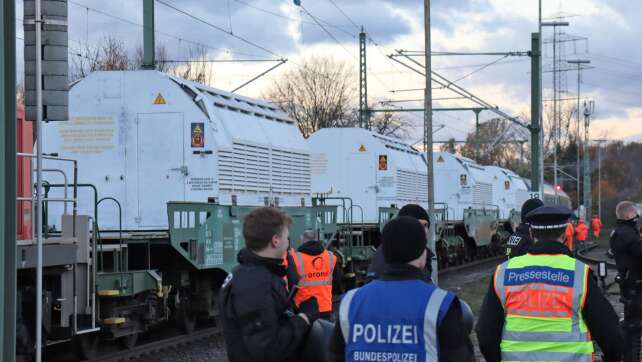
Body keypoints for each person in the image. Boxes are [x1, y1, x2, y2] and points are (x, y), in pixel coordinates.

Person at [476, 205, 623, 362]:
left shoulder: (503, 272)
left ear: (531, 233)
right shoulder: (580, 274)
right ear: (565, 234)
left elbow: (485, 333)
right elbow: (611, 333)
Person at [328, 216, 475, 362]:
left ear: (384, 253)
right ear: (423, 253)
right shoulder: (440, 305)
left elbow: (334, 356)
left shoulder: (350, 303)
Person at [219, 207, 320, 362]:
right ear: (275, 241)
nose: (288, 244)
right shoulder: (256, 284)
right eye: (287, 238)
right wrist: (304, 318)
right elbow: (269, 349)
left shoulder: (244, 273)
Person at [366, 204, 434, 282]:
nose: (424, 230)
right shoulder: (387, 252)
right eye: (420, 225)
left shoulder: (417, 251)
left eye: (426, 225)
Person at [292, 229, 343, 320]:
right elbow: (337, 283)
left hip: (303, 309)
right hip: (325, 308)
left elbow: (291, 283)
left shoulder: (295, 258)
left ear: (302, 240)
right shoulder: (331, 257)